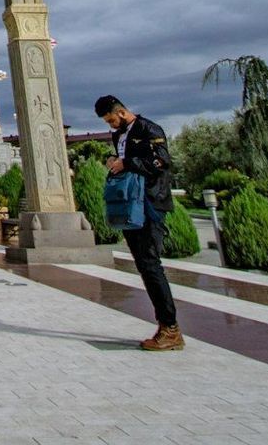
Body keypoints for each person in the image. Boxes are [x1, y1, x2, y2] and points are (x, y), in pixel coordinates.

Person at [97, 94, 181, 351]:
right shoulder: (119, 135)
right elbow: (125, 160)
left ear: (121, 113)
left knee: (150, 264)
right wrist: (114, 161)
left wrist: (128, 163)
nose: (110, 125)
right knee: (144, 265)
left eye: (111, 119)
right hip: (130, 203)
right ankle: (166, 326)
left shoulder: (149, 129)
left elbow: (162, 161)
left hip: (150, 203)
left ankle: (171, 328)